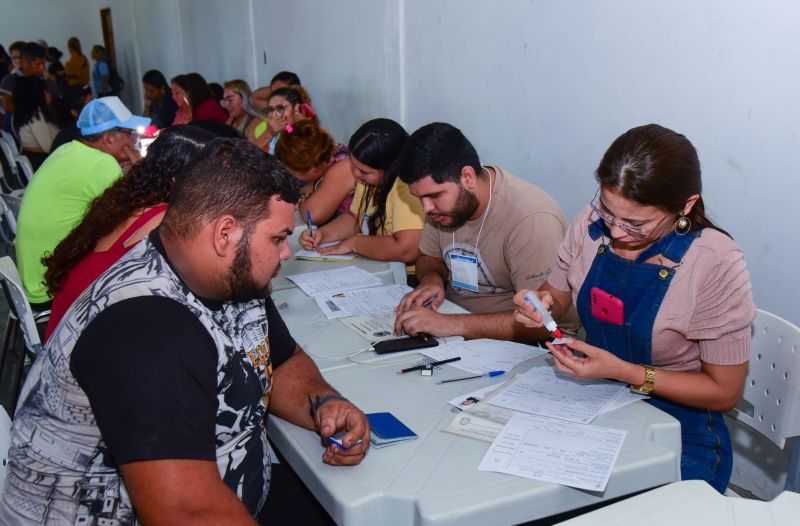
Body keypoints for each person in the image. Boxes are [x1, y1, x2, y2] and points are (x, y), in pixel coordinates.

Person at [1, 138, 370, 524]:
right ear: (225, 233)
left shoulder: (231, 278)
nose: (285, 253)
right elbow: (185, 514)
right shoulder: (145, 328)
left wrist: (324, 404)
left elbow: (281, 359)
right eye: (278, 238)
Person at [512, 124, 755, 493]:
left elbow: (724, 392)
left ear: (685, 206)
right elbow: (557, 295)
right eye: (608, 213)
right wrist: (540, 305)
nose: (618, 231)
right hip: (597, 396)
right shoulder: (592, 224)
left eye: (637, 224)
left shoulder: (716, 262)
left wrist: (627, 372)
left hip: (679, 422)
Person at [392, 122, 578, 342]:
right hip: (457, 329)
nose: (427, 208)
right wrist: (432, 280)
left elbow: (541, 322)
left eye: (434, 196)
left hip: (532, 345)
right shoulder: (445, 207)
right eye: (419, 198)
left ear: (467, 177)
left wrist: (451, 324)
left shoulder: (530, 218)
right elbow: (427, 256)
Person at [42, 125, 216, 339]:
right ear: (180, 180)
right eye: (210, 178)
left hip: (66, 331)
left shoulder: (126, 200)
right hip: (83, 345)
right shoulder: (165, 221)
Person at [15, 96, 148, 309]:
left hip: (35, 279)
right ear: (109, 138)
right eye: (129, 134)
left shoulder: (67, 150)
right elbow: (139, 217)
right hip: (52, 289)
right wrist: (139, 165)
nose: (132, 141)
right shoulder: (101, 164)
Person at [299, 118, 424, 279]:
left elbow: (407, 249)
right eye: (354, 167)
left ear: (389, 168)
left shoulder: (405, 188)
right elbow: (354, 218)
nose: (356, 175)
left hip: (408, 277)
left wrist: (355, 243)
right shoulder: (367, 182)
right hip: (377, 266)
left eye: (364, 172)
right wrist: (321, 235)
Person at [274, 119, 355, 225]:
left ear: (313, 169)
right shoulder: (327, 154)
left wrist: (304, 196)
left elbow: (311, 216)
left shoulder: (342, 167)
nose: (292, 175)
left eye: (293, 172)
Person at [246, 86, 315, 152]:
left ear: (297, 109)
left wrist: (301, 126)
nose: (274, 115)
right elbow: (250, 158)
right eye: (271, 109)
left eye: (280, 108)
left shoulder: (308, 134)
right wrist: (268, 133)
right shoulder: (273, 133)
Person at [11, 75, 59, 169]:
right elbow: (50, 148)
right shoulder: (36, 117)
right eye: (46, 91)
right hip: (40, 164)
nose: (49, 94)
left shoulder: (22, 112)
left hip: (31, 160)